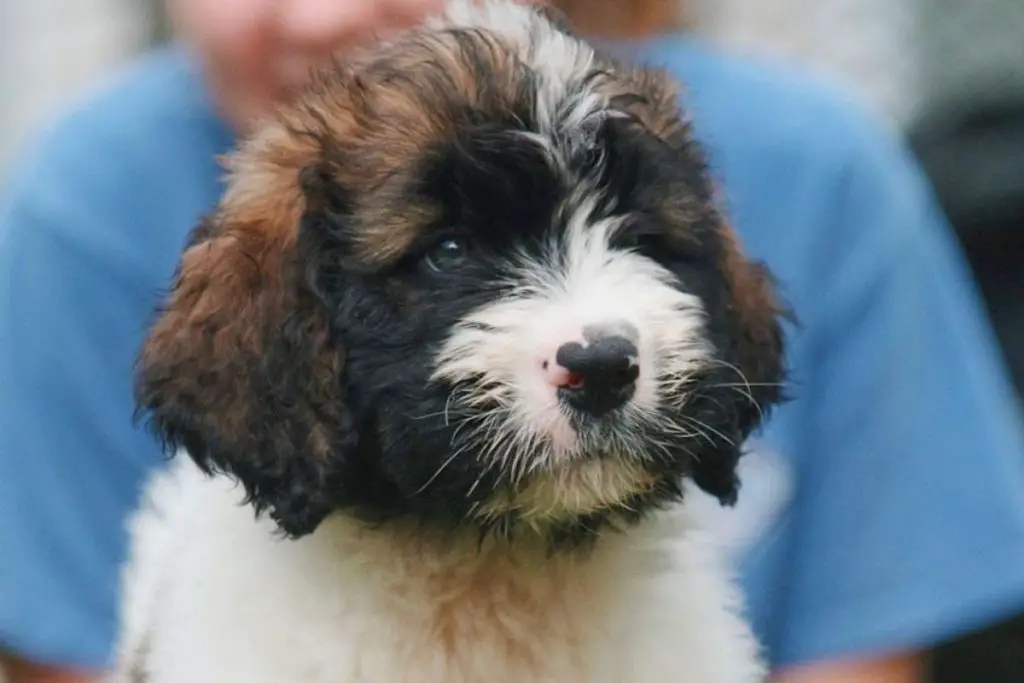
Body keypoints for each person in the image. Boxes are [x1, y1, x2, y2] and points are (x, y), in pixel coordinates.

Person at [3, 1, 1024, 681]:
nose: (320, 12)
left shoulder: (813, 162)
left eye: (639, 243)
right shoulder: (90, 200)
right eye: (444, 251)